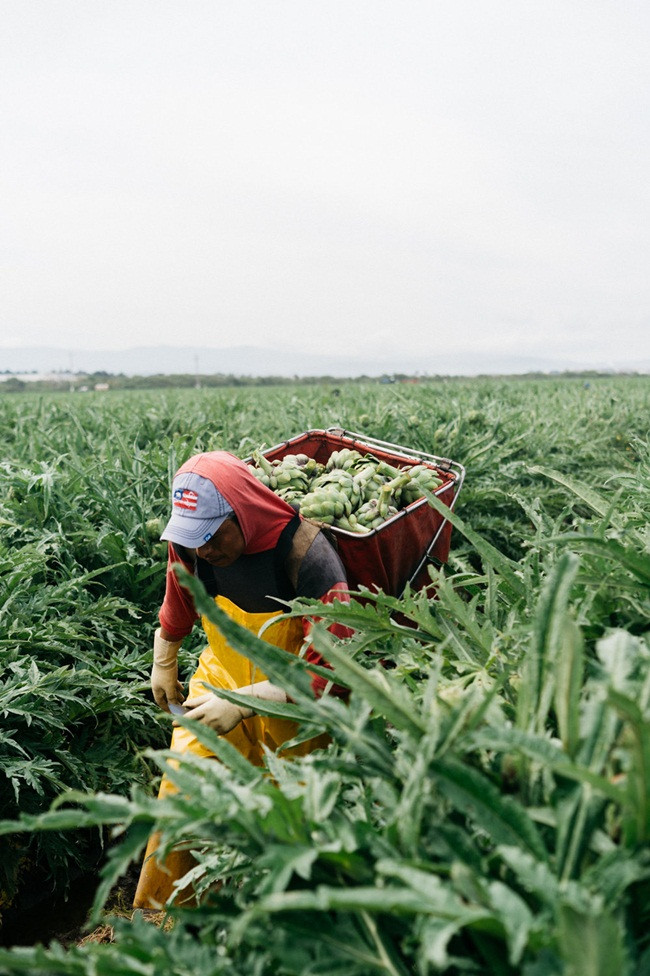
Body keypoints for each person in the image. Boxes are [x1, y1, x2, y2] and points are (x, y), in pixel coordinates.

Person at [133, 450, 351, 908]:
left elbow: (332, 669)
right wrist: (166, 654)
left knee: (292, 809)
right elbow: (180, 592)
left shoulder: (308, 556)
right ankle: (177, 914)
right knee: (186, 786)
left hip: (295, 697)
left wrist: (254, 698)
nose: (203, 551)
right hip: (221, 677)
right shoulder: (191, 544)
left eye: (211, 535)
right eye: (193, 540)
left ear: (241, 513)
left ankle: (282, 922)